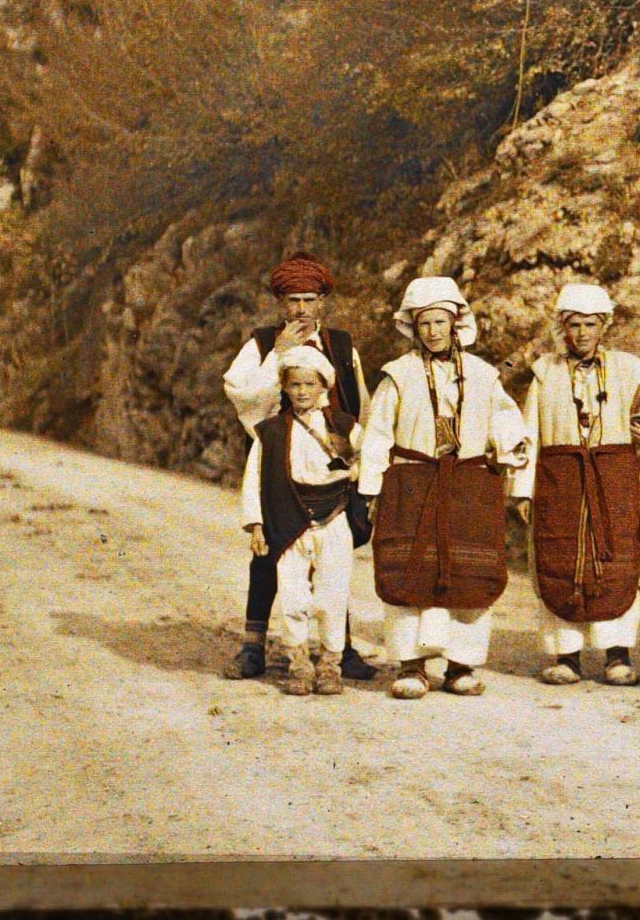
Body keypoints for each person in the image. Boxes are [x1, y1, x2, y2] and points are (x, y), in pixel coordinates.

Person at [359, 276, 530, 699]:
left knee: (470, 570)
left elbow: (505, 420)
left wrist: (509, 450)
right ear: (413, 327)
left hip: (470, 483)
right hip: (412, 483)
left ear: (456, 323)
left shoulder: (483, 374)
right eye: (425, 324)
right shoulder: (396, 376)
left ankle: (460, 666)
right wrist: (369, 488)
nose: (433, 331)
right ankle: (411, 666)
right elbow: (378, 432)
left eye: (440, 322)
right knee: (408, 568)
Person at [220, 251, 375, 683]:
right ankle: (252, 647)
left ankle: (337, 652)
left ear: (324, 300)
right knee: (271, 550)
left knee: (333, 558)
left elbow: (360, 403)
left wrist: (353, 453)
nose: (301, 310)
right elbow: (241, 394)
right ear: (279, 304)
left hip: (330, 465)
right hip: (274, 459)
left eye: (309, 300)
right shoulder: (262, 343)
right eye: (292, 301)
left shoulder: (342, 345)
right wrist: (279, 357)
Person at [514, 282, 640, 687]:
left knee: (623, 561)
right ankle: (567, 656)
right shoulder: (545, 373)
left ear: (605, 326)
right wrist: (524, 488)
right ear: (563, 327)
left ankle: (618, 654)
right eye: (574, 325)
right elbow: (530, 433)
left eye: (590, 325)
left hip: (617, 482)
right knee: (560, 559)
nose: (582, 334)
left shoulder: (631, 368)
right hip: (560, 482)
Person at [240, 346, 363, 695]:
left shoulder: (344, 427)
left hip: (334, 520)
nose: (302, 392)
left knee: (331, 598)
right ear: (284, 387)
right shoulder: (271, 432)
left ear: (323, 385)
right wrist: (257, 526)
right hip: (289, 519)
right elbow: (255, 479)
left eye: (310, 384)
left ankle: (329, 665)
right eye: (294, 384)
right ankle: (299, 665)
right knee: (293, 599)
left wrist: (363, 499)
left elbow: (364, 466)